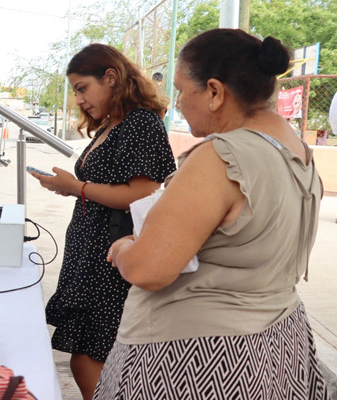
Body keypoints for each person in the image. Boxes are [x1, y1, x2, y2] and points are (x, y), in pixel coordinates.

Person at [99, 29, 327, 399]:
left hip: (198, 359)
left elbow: (148, 269)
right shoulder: (297, 149)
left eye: (182, 90)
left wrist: (125, 248)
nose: (177, 102)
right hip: (278, 345)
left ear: (215, 92)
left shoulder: (221, 155)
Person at [29, 44, 176, 399]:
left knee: (88, 357)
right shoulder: (113, 123)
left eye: (82, 88)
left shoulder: (141, 123)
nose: (78, 99)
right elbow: (106, 188)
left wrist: (76, 186)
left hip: (111, 258)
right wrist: (71, 189)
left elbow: (142, 195)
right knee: (90, 354)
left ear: (111, 77)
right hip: (91, 254)